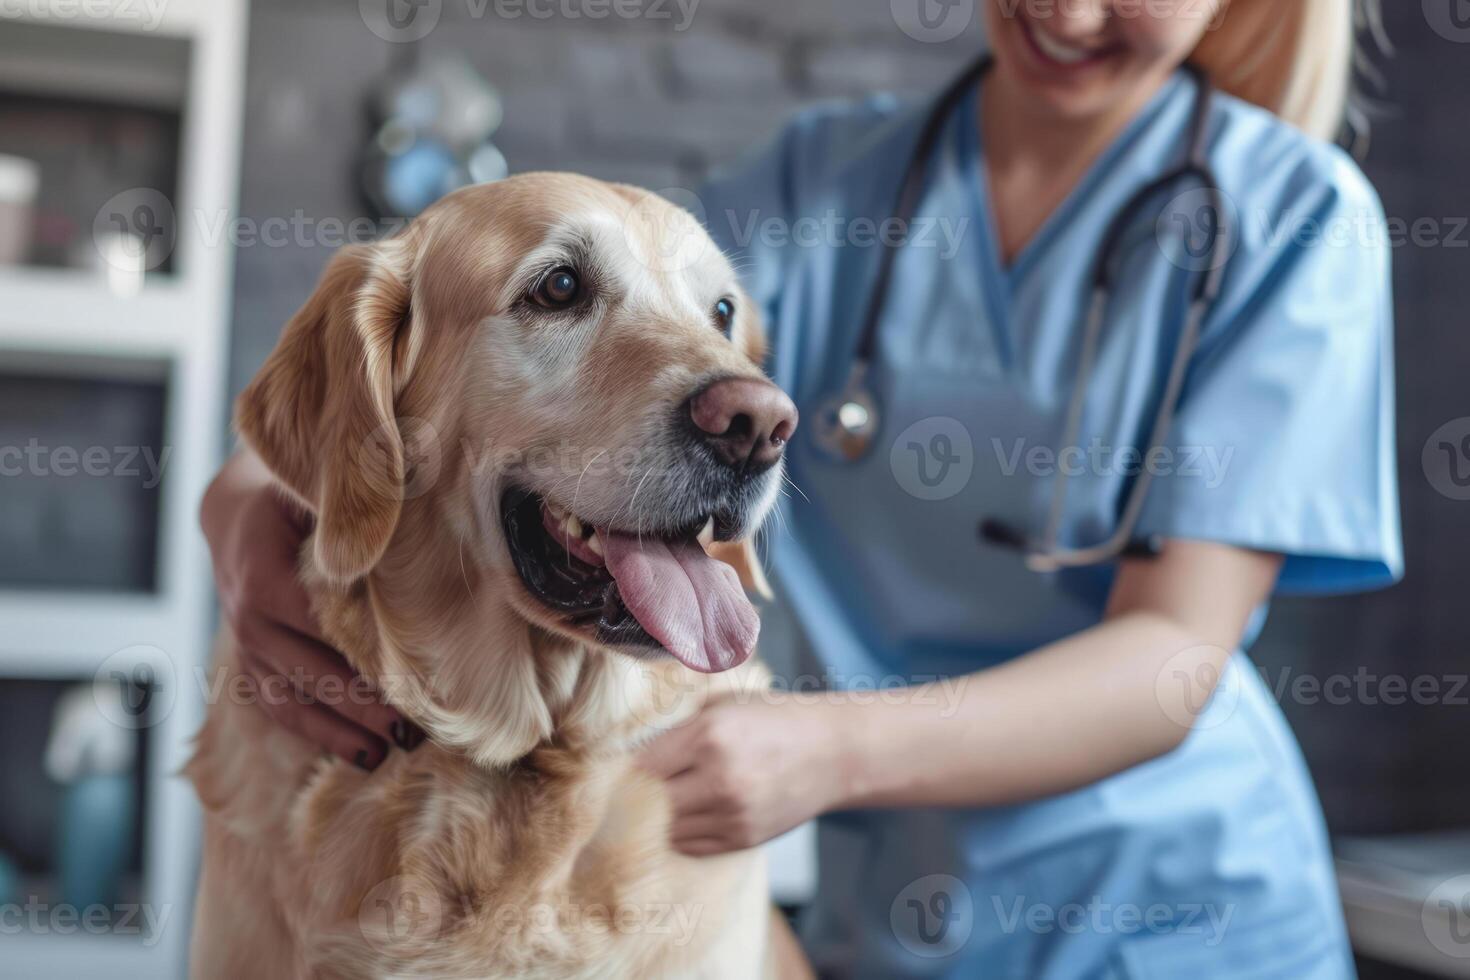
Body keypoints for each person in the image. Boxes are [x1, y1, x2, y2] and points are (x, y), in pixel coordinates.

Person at [201, 0, 1399, 974]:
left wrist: (828, 750)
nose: (1070, 10)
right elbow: (553, 314)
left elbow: (1175, 655)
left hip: (1183, 919)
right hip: (894, 920)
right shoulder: (833, 181)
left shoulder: (1300, 219)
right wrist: (256, 506)